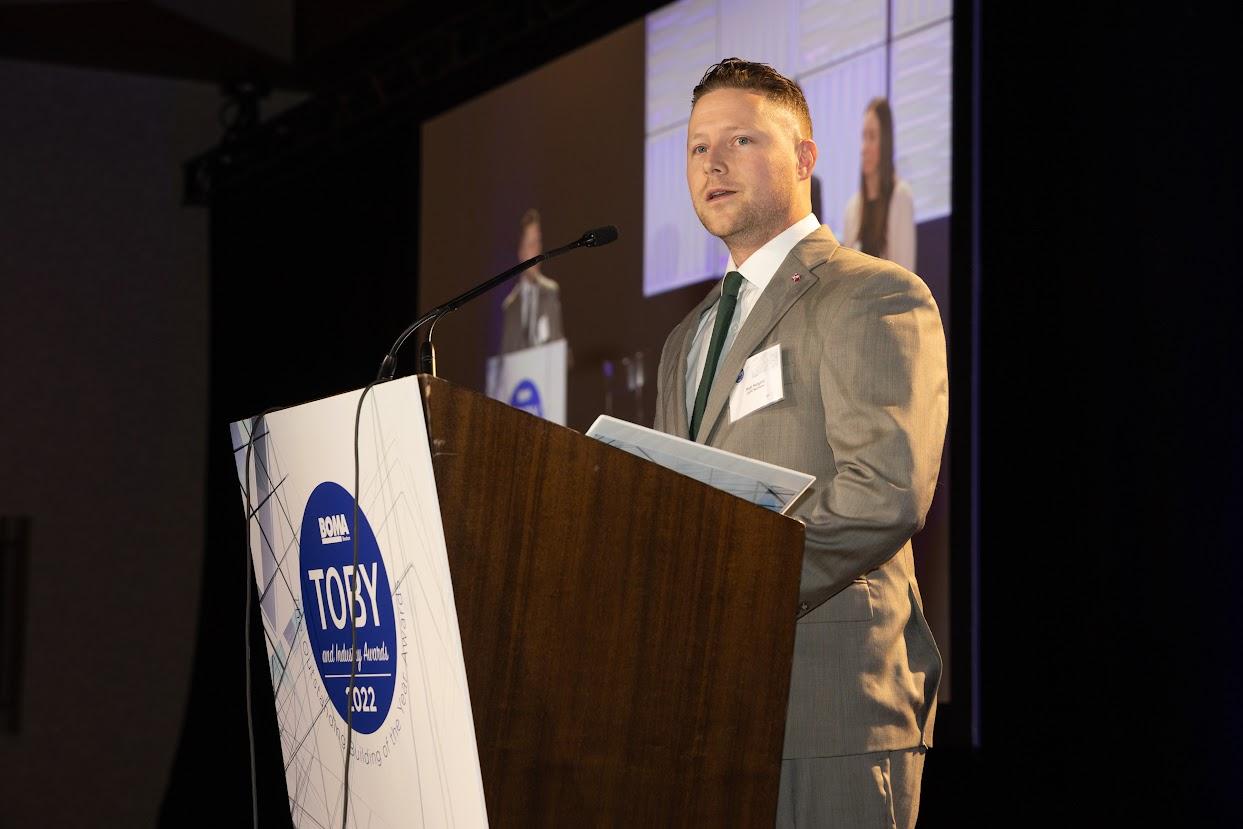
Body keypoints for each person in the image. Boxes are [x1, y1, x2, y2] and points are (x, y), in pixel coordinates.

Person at [654, 58, 947, 827]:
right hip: (699, 720)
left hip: (827, 710)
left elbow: (883, 489)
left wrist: (733, 594)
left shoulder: (872, 293)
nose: (711, 163)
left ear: (806, 159)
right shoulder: (683, 341)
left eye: (740, 139)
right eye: (695, 147)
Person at [841, 97, 917, 272]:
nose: (864, 148)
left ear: (885, 142)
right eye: (863, 137)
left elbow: (906, 277)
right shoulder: (853, 208)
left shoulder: (901, 197)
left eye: (872, 137)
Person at [500, 208, 564, 353]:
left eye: (538, 242)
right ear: (520, 251)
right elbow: (505, 355)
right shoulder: (510, 306)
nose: (536, 249)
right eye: (530, 244)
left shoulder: (550, 291)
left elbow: (558, 342)